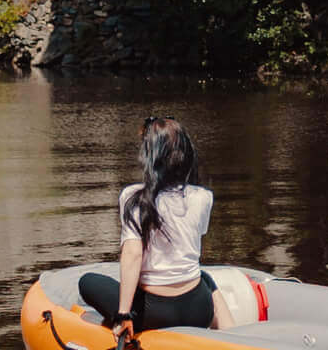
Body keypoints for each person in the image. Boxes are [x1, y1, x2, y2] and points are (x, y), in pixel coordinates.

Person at [77, 116, 227, 336]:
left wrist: (123, 314)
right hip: (198, 310)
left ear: (149, 156)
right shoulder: (203, 197)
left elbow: (133, 255)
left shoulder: (133, 197)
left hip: (154, 314)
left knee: (87, 282)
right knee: (204, 277)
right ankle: (232, 336)